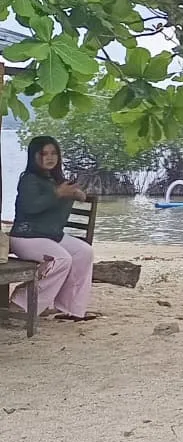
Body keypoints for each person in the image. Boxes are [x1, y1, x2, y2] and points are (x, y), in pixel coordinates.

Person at [8, 136, 96, 321]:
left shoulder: (57, 181)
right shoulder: (29, 180)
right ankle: (21, 303)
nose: (49, 157)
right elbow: (30, 207)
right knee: (61, 259)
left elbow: (70, 195)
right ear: (33, 156)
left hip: (51, 236)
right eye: (43, 153)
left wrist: (77, 194)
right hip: (26, 237)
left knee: (84, 252)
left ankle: (70, 308)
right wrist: (58, 194)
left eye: (53, 153)